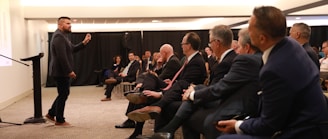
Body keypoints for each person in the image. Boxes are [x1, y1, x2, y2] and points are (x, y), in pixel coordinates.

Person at [217, 6, 328, 139]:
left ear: (262, 38)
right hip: (313, 123)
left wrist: (237, 125)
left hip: (302, 131)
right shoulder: (291, 45)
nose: (247, 32)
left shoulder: (274, 69)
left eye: (250, 29)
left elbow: (269, 125)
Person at [146, 27, 261, 139]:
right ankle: (167, 127)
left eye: (239, 47)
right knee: (188, 95)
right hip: (233, 100)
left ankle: (167, 127)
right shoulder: (248, 59)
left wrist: (193, 94)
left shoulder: (242, 60)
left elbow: (222, 87)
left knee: (186, 109)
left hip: (235, 106)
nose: (238, 51)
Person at [127, 32, 207, 132]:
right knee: (150, 77)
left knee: (155, 97)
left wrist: (161, 94)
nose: (181, 46)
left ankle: (147, 100)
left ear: (188, 45)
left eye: (182, 44)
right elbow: (182, 81)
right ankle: (143, 95)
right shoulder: (190, 59)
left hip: (185, 93)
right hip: (177, 87)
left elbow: (185, 84)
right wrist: (173, 82)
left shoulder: (196, 61)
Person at [118, 44, 181, 139]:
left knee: (147, 82)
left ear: (164, 52)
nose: (160, 56)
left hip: (169, 88)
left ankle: (134, 127)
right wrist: (159, 67)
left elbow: (159, 78)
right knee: (144, 85)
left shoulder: (173, 61)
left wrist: (151, 78)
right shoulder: (170, 61)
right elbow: (161, 76)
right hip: (167, 86)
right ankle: (135, 129)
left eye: (160, 53)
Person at [46, 16, 91, 126]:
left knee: (63, 93)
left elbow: (72, 49)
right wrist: (69, 71)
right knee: (63, 94)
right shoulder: (58, 37)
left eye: (70, 23)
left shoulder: (63, 36)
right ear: (60, 25)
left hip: (61, 71)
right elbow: (62, 57)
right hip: (61, 71)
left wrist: (84, 42)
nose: (70, 25)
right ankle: (59, 120)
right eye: (67, 23)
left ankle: (51, 113)